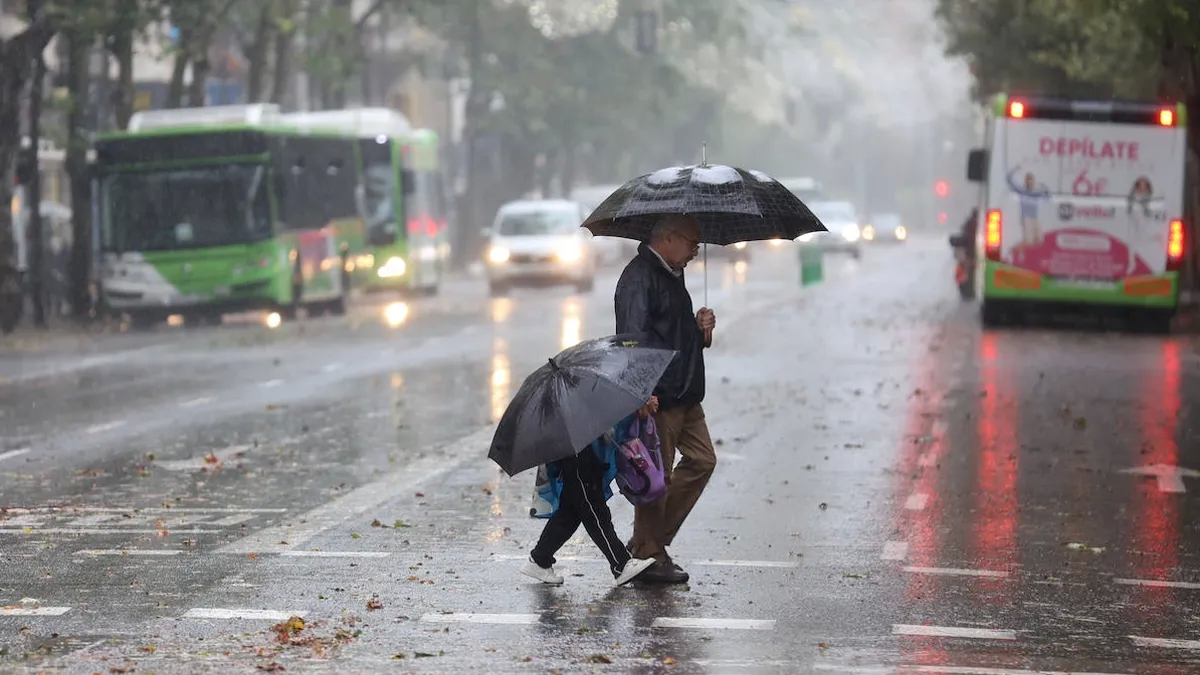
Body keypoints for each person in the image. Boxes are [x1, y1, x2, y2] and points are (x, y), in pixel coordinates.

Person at [613, 214, 716, 584]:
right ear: (668, 238)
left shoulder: (673, 272)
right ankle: (648, 555)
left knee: (703, 460)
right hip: (659, 396)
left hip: (686, 392)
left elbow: (671, 330)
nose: (695, 252)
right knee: (658, 477)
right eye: (692, 243)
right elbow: (632, 340)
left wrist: (699, 327)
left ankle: (646, 542)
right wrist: (640, 391)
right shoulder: (639, 278)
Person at [522, 401, 659, 587]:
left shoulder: (575, 387)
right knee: (595, 511)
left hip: (583, 449)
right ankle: (621, 564)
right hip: (576, 454)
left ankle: (540, 559)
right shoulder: (568, 392)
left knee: (569, 515)